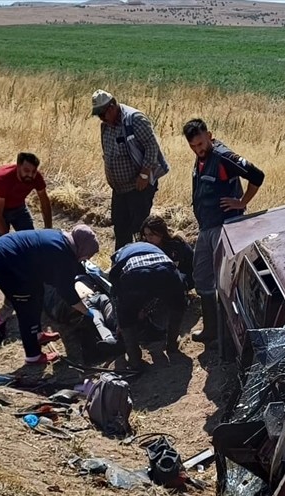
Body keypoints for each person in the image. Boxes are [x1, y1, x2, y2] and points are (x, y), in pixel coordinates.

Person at [183, 118, 265, 345]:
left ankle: (228, 337)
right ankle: (211, 329)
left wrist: (242, 202)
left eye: (200, 144)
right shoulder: (201, 159)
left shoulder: (223, 157)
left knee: (225, 282)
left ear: (209, 136)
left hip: (225, 228)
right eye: (193, 146)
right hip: (206, 228)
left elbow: (257, 176)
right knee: (202, 278)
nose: (198, 149)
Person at [0, 226, 100, 366]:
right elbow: (67, 291)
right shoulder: (62, 254)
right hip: (3, 263)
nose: (86, 258)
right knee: (27, 307)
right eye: (88, 254)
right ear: (82, 248)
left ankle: (37, 335)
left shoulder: (63, 240)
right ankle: (33, 356)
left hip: (11, 256)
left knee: (37, 292)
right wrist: (87, 312)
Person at [90, 89, 169, 252]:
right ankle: (121, 264)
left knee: (139, 230)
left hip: (138, 187)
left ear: (111, 108)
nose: (101, 118)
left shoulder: (134, 119)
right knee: (120, 228)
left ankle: (142, 261)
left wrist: (144, 173)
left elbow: (151, 145)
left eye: (102, 114)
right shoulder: (106, 126)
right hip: (119, 189)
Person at [109, 242, 186, 368]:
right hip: (166, 270)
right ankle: (172, 344)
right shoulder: (152, 248)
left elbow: (115, 287)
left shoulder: (119, 255)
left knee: (126, 315)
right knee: (177, 306)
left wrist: (121, 321)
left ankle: (134, 359)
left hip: (135, 274)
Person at [0, 152, 52, 239]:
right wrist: (7, 239)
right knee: (2, 244)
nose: (30, 175)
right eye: (26, 171)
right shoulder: (2, 179)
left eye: (34, 171)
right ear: (18, 167)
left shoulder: (37, 177)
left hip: (18, 207)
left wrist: (48, 229)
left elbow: (45, 202)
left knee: (30, 240)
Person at [139, 218, 195, 292]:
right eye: (146, 235)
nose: (149, 238)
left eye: (151, 234)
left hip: (180, 278)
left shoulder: (176, 245)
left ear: (161, 233)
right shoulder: (144, 247)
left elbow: (192, 264)